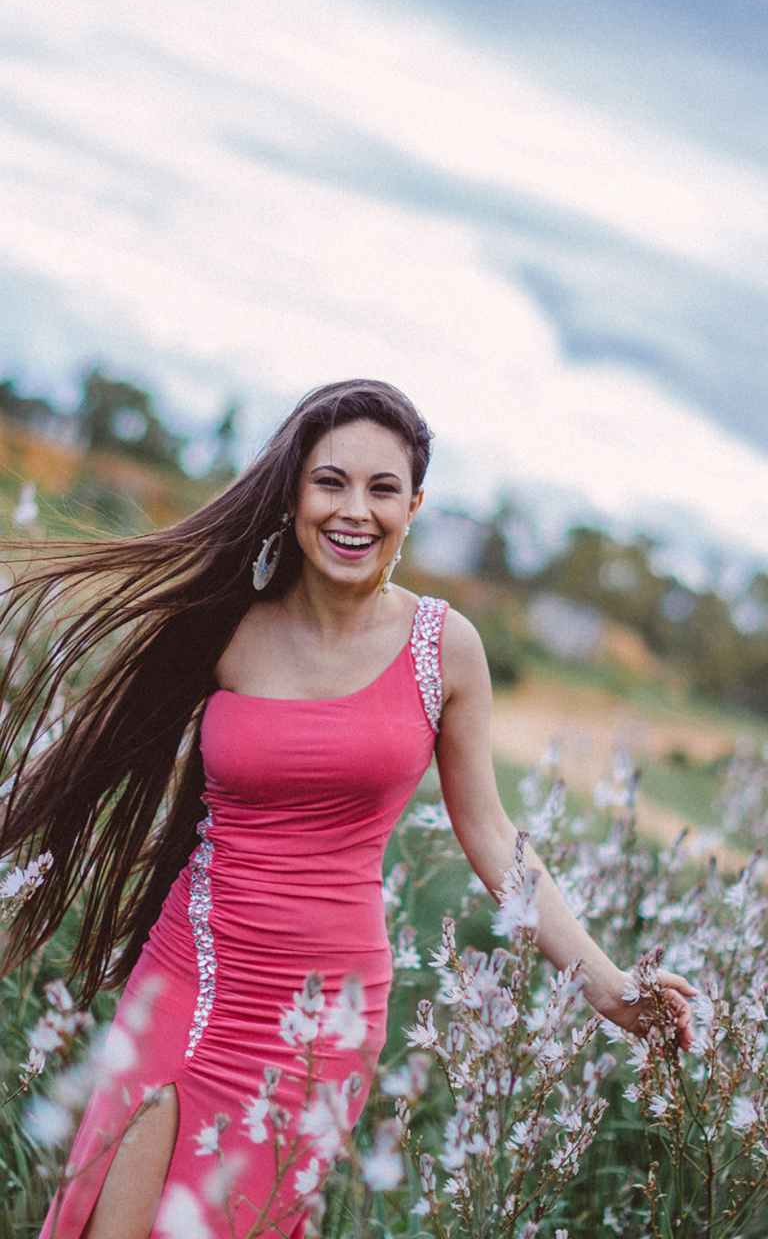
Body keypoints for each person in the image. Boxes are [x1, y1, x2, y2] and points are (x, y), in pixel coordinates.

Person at [0, 380, 694, 1239]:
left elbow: (493, 839)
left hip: (324, 1016)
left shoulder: (448, 649)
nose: (353, 510)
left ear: (414, 507)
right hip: (194, 975)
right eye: (330, 481)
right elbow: (98, 761)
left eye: (382, 488)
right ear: (294, 491)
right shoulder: (226, 622)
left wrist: (614, 991)